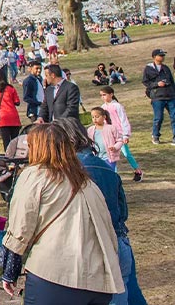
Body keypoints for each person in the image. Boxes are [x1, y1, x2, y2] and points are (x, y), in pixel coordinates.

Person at [0, 124, 122, 304]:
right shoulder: (87, 182)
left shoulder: (35, 176)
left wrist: (10, 272)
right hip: (97, 280)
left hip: (55, 275)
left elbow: (20, 226)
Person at [55, 118, 148, 305]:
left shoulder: (67, 171)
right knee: (129, 292)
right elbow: (123, 210)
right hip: (118, 238)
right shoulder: (105, 166)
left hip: (92, 245)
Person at [98, 87, 143, 181]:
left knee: (126, 154)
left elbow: (123, 120)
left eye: (104, 95)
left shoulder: (117, 106)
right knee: (111, 155)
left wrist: (125, 135)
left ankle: (138, 171)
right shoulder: (103, 107)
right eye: (101, 95)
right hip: (110, 135)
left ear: (111, 94)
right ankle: (113, 175)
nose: (103, 97)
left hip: (120, 135)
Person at [141, 48, 175, 144]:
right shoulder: (149, 68)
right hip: (158, 96)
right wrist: (156, 84)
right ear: (154, 57)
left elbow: (172, 81)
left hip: (170, 96)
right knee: (159, 117)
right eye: (160, 55)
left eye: (163, 55)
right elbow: (145, 82)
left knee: (174, 116)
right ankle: (155, 135)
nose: (162, 57)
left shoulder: (166, 68)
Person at [0, 71, 22, 151]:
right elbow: (17, 102)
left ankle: (8, 158)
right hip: (13, 117)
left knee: (6, 141)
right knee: (15, 140)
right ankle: (16, 158)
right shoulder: (11, 88)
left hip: (2, 118)